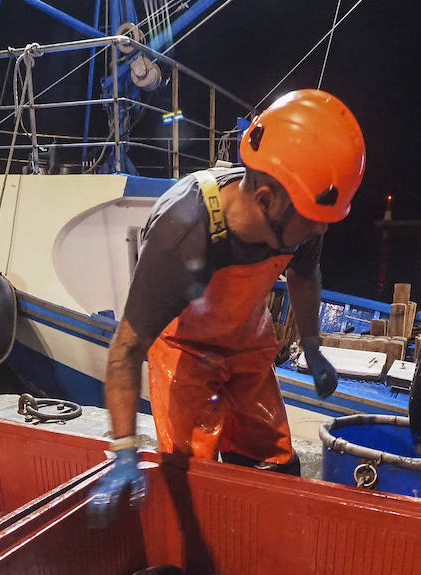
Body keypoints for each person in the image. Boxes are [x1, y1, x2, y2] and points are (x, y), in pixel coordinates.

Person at [86, 88, 366, 526]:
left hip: (248, 341)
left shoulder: (307, 209)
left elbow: (303, 276)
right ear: (268, 199)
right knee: (195, 479)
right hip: (185, 350)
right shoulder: (184, 230)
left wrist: (311, 346)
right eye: (312, 221)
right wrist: (123, 449)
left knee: (274, 463)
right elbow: (126, 348)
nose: (318, 230)